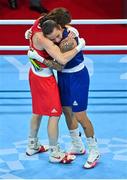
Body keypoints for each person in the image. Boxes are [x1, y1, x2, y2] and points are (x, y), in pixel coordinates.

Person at [28, 17, 100, 169]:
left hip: (77, 77)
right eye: (52, 39)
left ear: (61, 28)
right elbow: (37, 27)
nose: (57, 39)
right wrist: (28, 33)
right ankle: (77, 145)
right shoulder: (50, 32)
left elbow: (58, 65)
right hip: (64, 78)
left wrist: (39, 57)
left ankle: (94, 150)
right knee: (67, 112)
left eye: (58, 36)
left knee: (80, 115)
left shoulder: (69, 41)